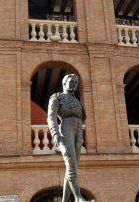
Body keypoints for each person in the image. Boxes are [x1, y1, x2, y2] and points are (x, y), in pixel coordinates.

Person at [47, 73, 94, 202]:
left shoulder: (77, 101)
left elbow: (83, 117)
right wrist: (55, 133)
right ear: (64, 83)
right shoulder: (57, 97)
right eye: (72, 81)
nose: (74, 83)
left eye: (76, 82)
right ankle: (78, 198)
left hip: (79, 129)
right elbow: (51, 117)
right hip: (66, 128)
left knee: (72, 167)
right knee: (72, 166)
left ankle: (64, 200)